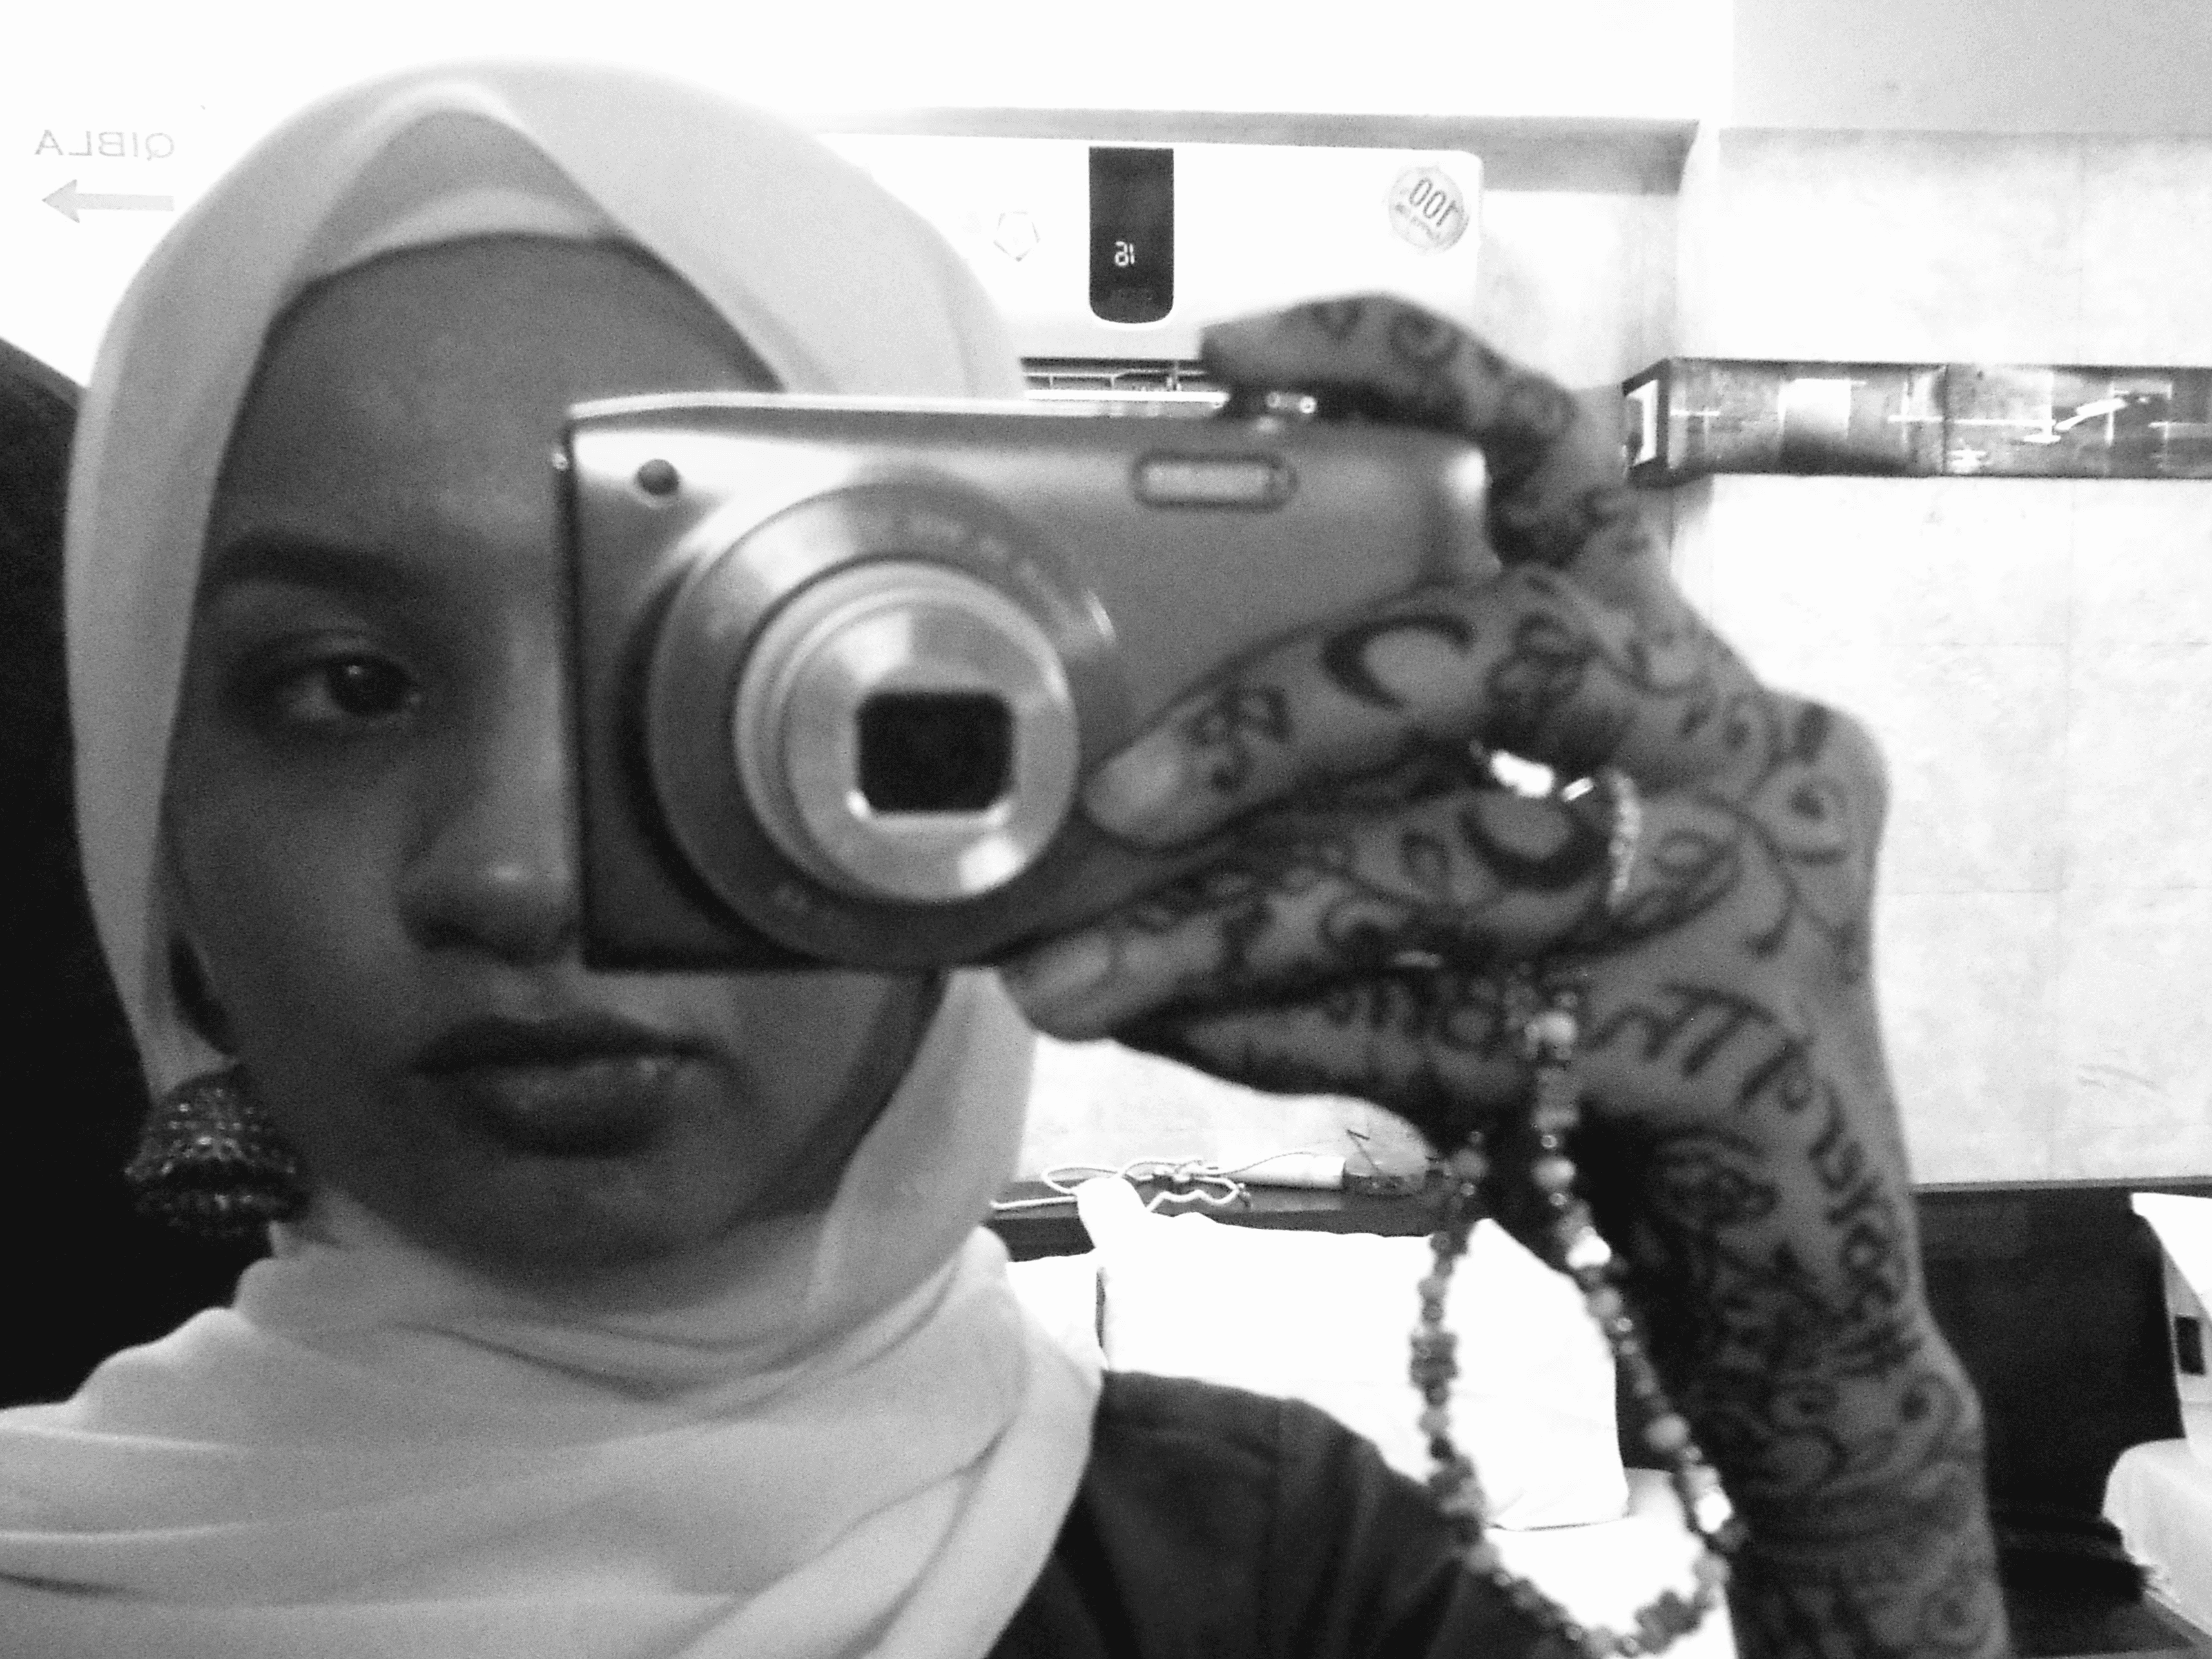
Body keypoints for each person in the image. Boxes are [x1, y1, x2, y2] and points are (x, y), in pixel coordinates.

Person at [0, 63, 2006, 1659]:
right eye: (344, 683)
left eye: (718, 680)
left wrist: (1839, 1395)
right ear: (146, 811)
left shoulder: (1270, 1589)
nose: (519, 874)